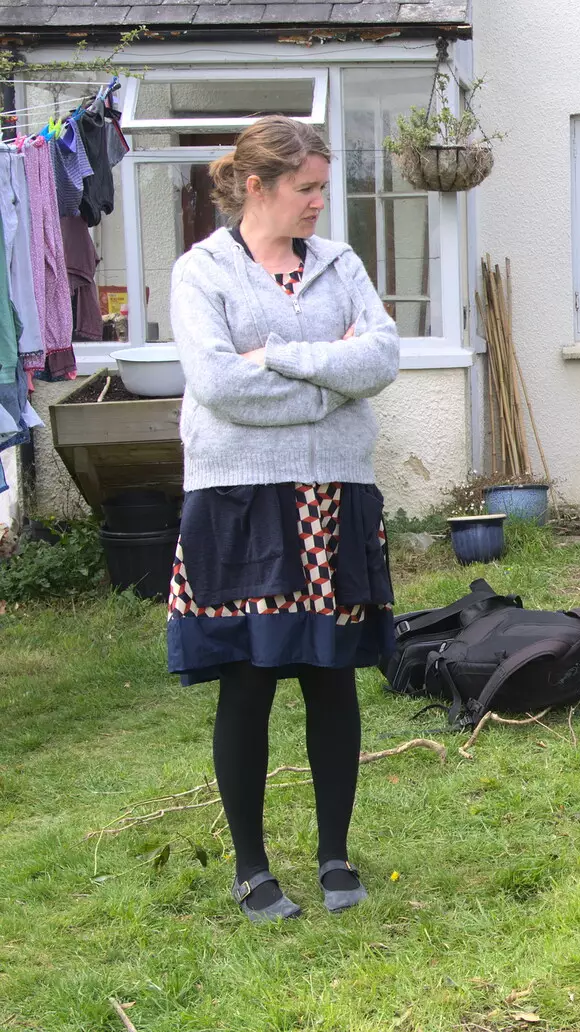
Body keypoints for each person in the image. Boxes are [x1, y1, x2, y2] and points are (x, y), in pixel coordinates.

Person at [166, 116, 399, 922]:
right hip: (240, 499)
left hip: (334, 490)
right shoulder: (202, 272)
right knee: (251, 680)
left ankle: (335, 855)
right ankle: (252, 867)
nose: (318, 205)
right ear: (258, 186)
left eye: (323, 189)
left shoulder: (341, 265)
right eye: (307, 188)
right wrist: (332, 379)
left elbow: (384, 357)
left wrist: (277, 356)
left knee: (332, 677)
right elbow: (218, 385)